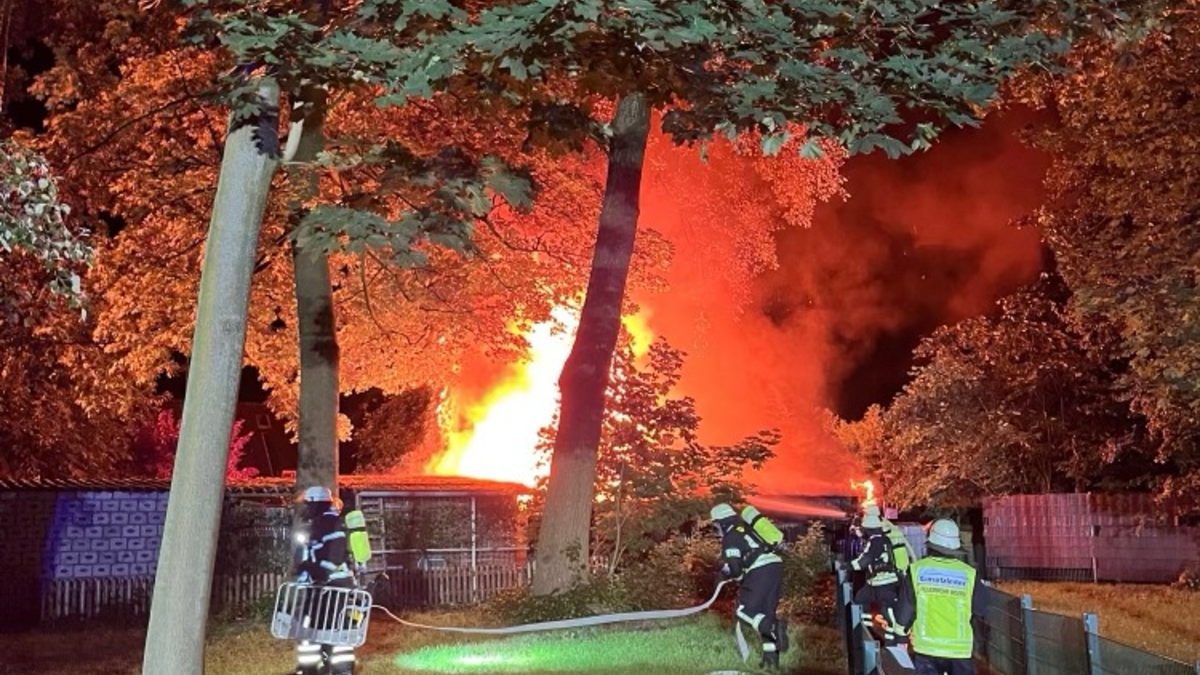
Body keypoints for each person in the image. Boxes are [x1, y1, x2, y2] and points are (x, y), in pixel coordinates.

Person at [896, 519, 987, 675]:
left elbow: (906, 609)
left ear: (931, 542)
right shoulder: (970, 574)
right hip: (960, 650)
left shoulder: (916, 570)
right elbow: (980, 609)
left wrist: (900, 638)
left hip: (926, 648)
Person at [711, 503, 788, 670]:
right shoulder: (746, 529)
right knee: (765, 613)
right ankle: (771, 662)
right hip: (774, 566)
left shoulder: (730, 537)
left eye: (715, 526)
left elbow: (737, 571)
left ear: (722, 522)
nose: (716, 532)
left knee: (744, 611)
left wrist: (724, 576)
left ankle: (772, 627)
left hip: (759, 571)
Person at [293, 486, 358, 675]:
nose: (305, 508)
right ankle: (311, 668)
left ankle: (340, 669)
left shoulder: (330, 522)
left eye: (307, 504)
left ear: (316, 504)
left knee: (335, 628)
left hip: (333, 586)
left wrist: (315, 571)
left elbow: (335, 554)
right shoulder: (320, 523)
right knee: (315, 626)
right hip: (322, 586)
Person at [850, 503, 905, 644]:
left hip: (884, 582)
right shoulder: (882, 538)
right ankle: (868, 633)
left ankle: (893, 641)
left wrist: (850, 566)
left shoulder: (875, 541)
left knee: (887, 610)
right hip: (876, 582)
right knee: (861, 599)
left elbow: (866, 558)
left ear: (869, 528)